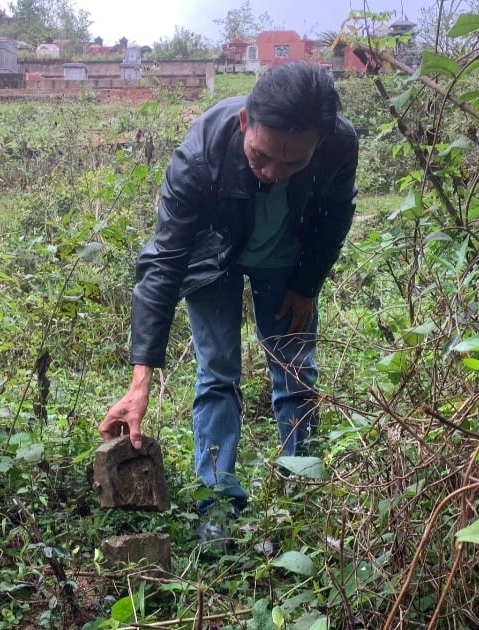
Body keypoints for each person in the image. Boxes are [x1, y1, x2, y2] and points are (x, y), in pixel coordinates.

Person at [99, 62, 359, 518]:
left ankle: (302, 496)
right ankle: (217, 504)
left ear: (319, 143)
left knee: (295, 371)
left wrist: (307, 283)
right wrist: (141, 380)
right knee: (217, 372)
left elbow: (337, 214)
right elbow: (163, 259)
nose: (273, 173)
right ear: (244, 123)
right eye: (261, 157)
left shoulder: (339, 143)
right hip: (211, 258)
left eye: (293, 162)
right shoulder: (201, 153)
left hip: (287, 259)